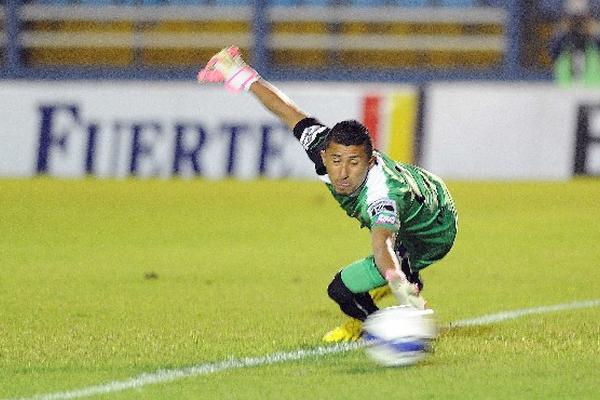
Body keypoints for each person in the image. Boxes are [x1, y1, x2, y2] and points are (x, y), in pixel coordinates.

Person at [197, 47, 458, 343]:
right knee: (345, 289)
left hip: (434, 227)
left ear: (370, 162)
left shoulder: (381, 194)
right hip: (418, 197)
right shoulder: (320, 144)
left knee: (387, 270)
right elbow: (286, 110)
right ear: (324, 154)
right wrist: (240, 73)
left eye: (354, 163)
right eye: (336, 161)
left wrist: (399, 285)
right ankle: (384, 324)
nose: (343, 173)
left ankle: (406, 314)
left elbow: (383, 243)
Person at [549, 1, 600, 87]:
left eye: (582, 19)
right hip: (565, 95)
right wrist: (562, 31)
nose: (578, 23)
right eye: (574, 19)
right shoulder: (563, 44)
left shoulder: (594, 43)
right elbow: (552, 53)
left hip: (593, 95)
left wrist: (595, 32)